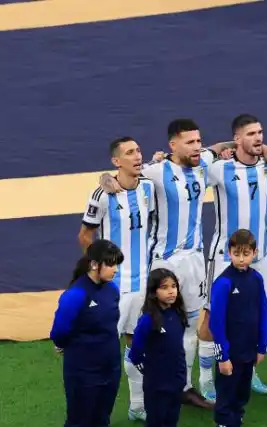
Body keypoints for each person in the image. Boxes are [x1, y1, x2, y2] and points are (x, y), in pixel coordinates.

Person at [99, 119, 242, 409]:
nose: (197, 147)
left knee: (191, 325)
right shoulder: (155, 171)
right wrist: (105, 178)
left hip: (195, 262)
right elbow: (124, 174)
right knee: (156, 329)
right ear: (172, 146)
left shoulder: (203, 163)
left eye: (198, 141)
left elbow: (218, 148)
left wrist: (244, 146)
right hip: (165, 263)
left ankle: (184, 387)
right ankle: (145, 397)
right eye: (189, 142)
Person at [198, 114, 267, 402]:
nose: (258, 138)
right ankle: (206, 378)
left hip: (259, 257)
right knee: (211, 316)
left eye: (261, 132)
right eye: (251, 134)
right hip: (222, 258)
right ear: (237, 138)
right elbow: (192, 166)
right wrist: (216, 147)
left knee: (252, 314)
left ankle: (249, 370)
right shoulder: (221, 169)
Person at [80, 137, 154, 422]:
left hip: (143, 283)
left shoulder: (149, 184)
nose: (137, 156)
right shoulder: (102, 195)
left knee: (137, 346)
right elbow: (85, 235)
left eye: (138, 150)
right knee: (103, 354)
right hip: (114, 288)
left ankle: (137, 406)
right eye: (129, 153)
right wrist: (96, 270)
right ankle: (96, 413)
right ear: (115, 161)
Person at [51, 239, 125, 427]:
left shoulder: (111, 290)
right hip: (82, 370)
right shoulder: (76, 295)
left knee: (102, 421)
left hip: (110, 367)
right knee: (78, 423)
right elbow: (59, 331)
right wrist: (64, 345)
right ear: (95, 265)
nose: (115, 269)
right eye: (111, 264)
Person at [208, 229, 267, 427]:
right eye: (236, 253)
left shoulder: (256, 279)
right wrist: (222, 356)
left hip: (249, 349)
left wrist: (262, 346)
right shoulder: (223, 283)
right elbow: (216, 323)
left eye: (246, 253)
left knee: (242, 392)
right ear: (229, 254)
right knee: (227, 394)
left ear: (254, 253)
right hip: (230, 353)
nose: (241, 258)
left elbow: (263, 312)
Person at [128, 268, 188, 427]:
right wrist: (152, 371)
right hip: (156, 383)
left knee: (171, 420)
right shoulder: (148, 320)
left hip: (176, 380)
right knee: (155, 420)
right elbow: (135, 353)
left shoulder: (177, 314)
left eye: (173, 287)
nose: (171, 292)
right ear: (154, 292)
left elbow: (178, 347)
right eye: (165, 288)